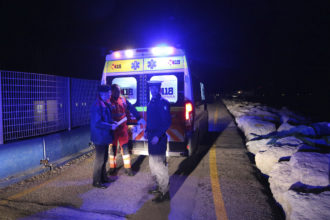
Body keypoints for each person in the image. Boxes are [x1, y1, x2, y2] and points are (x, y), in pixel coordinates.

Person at [108, 84, 145, 176]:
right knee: (112, 148)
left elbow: (131, 108)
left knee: (125, 147)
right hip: (112, 129)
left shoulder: (123, 100)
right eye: (115, 91)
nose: (118, 93)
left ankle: (128, 168)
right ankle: (112, 168)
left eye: (118, 91)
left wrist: (139, 118)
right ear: (112, 92)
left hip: (122, 129)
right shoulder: (108, 101)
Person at [145, 80, 171, 203]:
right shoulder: (151, 102)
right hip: (151, 137)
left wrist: (157, 135)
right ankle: (158, 186)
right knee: (153, 165)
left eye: (155, 88)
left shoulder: (163, 103)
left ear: (159, 89)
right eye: (151, 88)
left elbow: (167, 122)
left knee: (159, 166)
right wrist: (146, 130)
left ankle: (164, 192)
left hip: (158, 139)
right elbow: (150, 119)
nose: (153, 90)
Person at [90, 85, 117, 189]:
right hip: (99, 137)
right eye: (108, 93)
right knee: (100, 159)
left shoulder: (104, 103)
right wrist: (111, 126)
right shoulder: (98, 105)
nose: (110, 95)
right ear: (101, 93)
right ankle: (96, 181)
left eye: (110, 93)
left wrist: (112, 122)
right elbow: (97, 122)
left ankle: (104, 177)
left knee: (104, 158)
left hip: (103, 136)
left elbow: (106, 118)